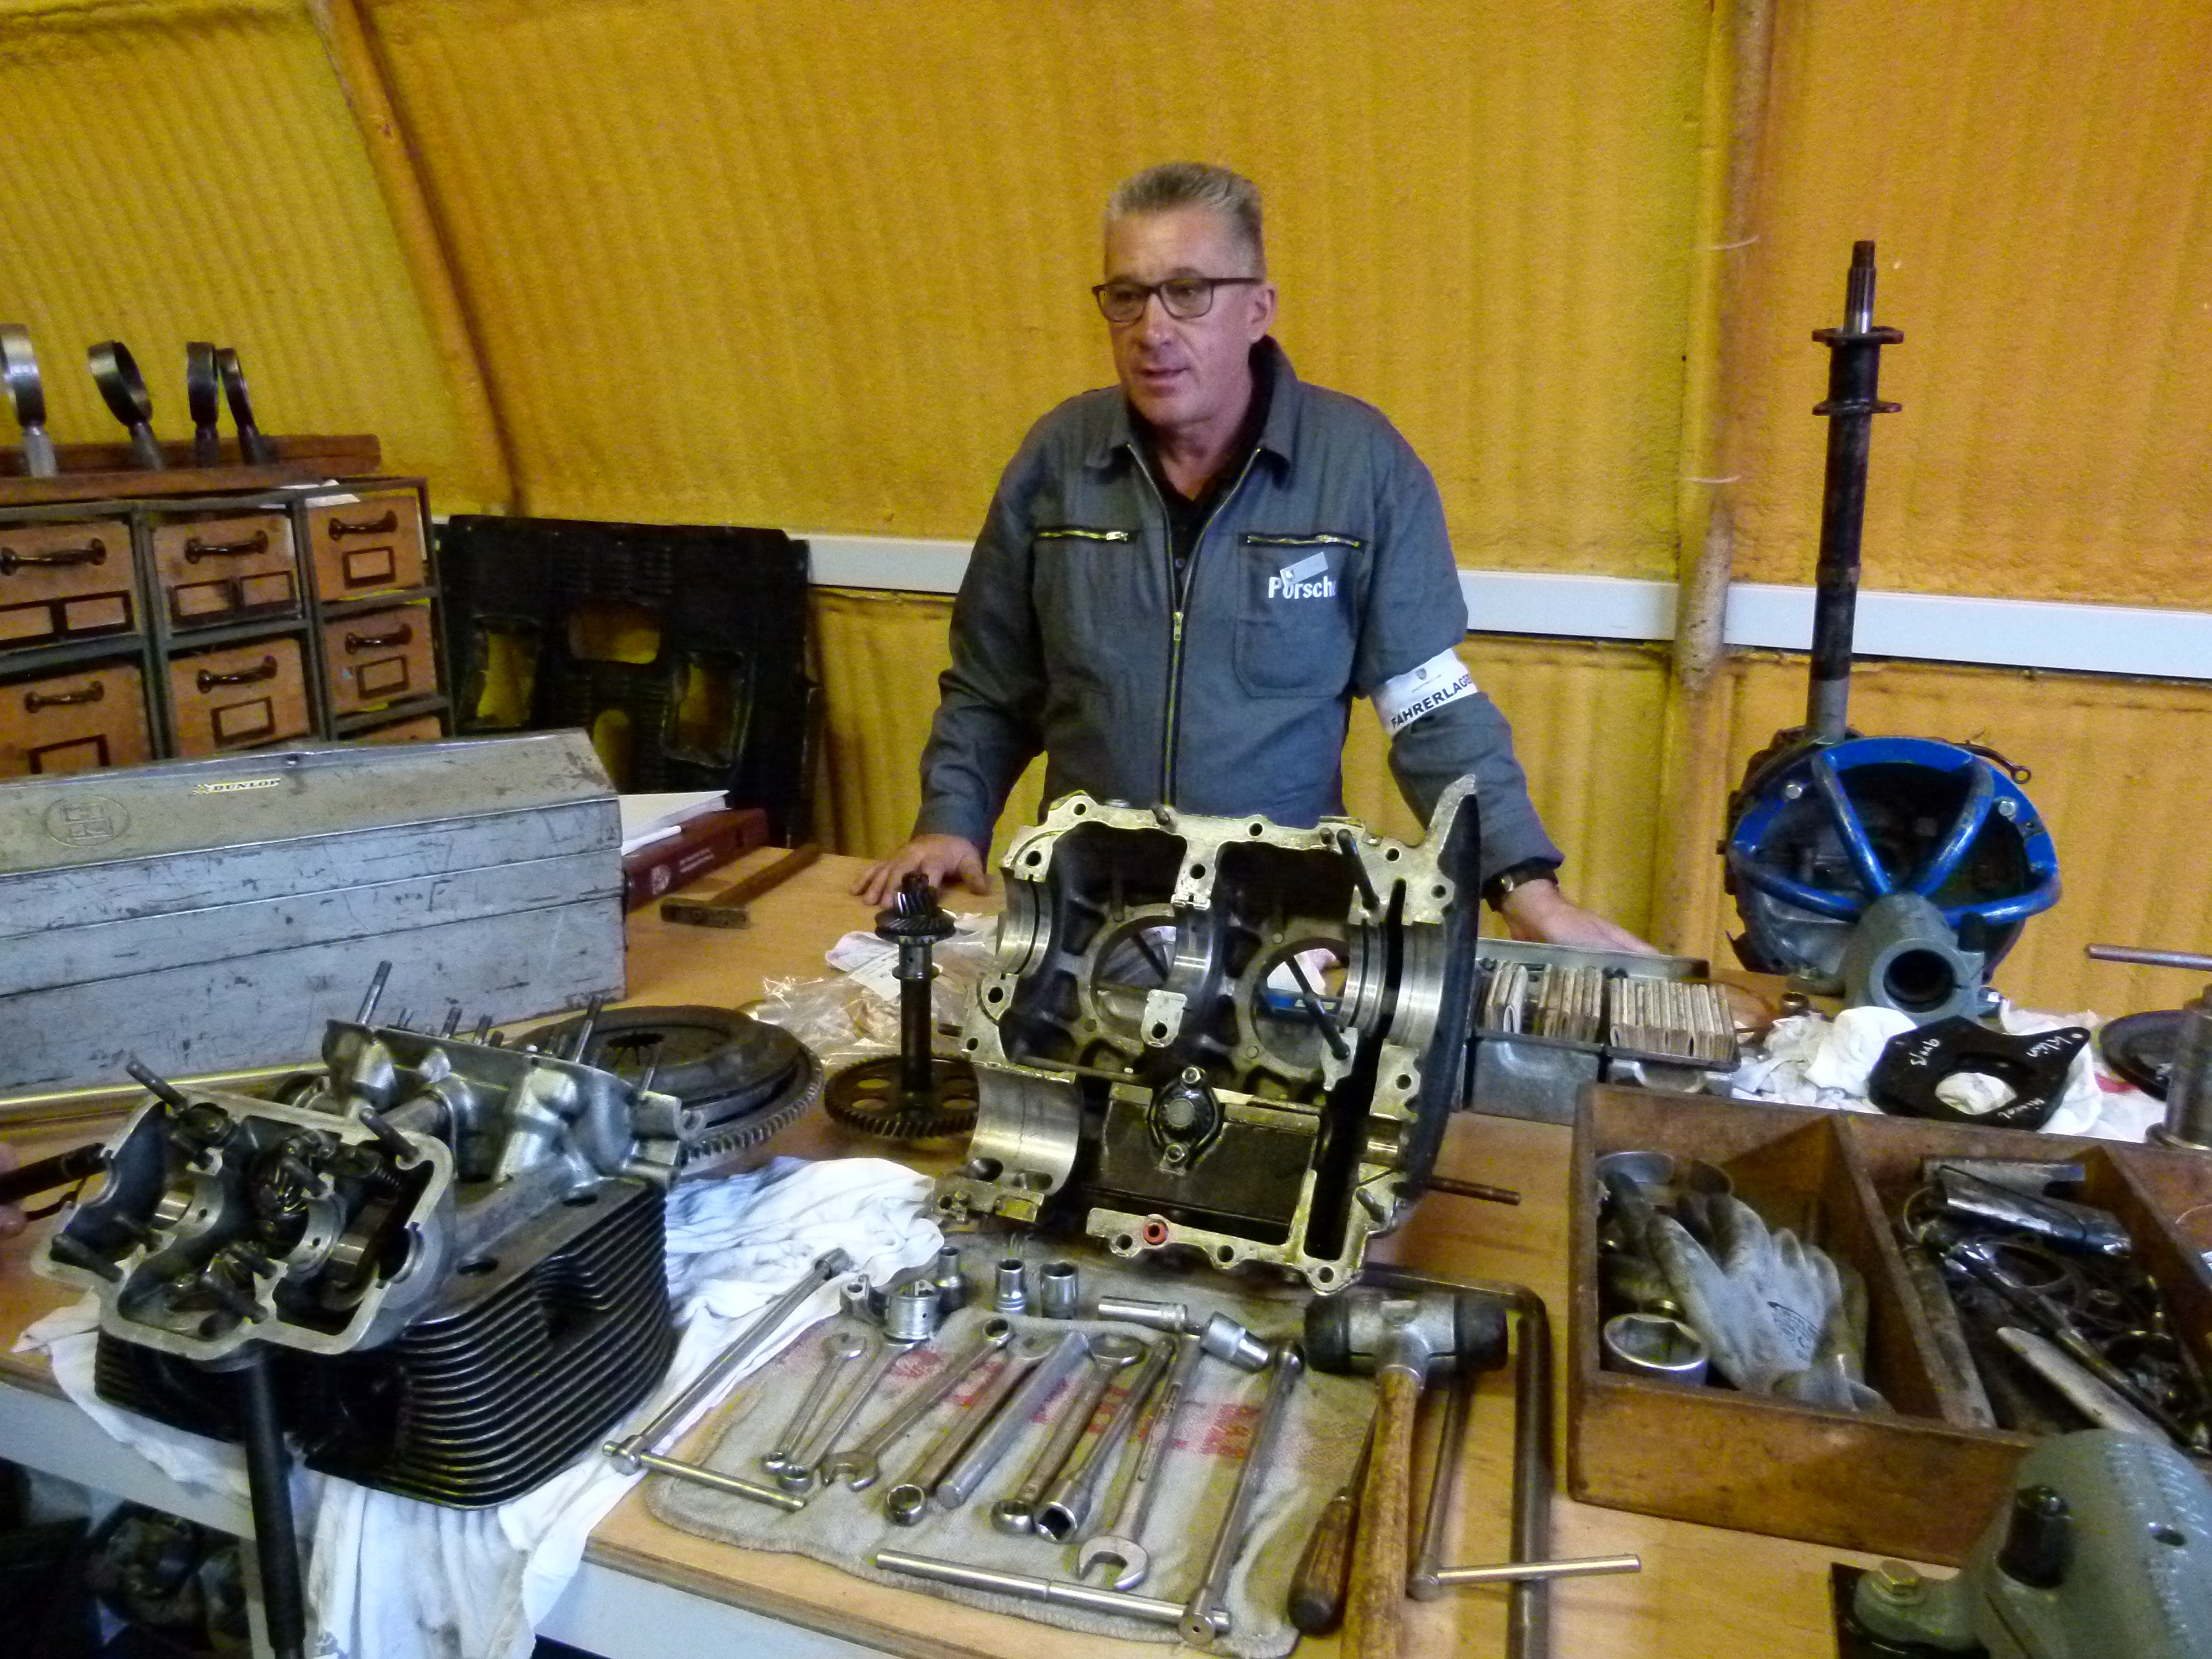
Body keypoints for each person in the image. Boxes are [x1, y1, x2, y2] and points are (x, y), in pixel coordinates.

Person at [857, 162, 1649, 953]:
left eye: (1188, 292)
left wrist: (1524, 888)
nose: (1152, 330)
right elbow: (992, 686)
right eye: (1127, 296)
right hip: (1087, 923)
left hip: (1281, 933)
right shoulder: (1058, 462)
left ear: (1258, 309)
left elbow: (1429, 705)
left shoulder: (1360, 469)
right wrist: (951, 820)